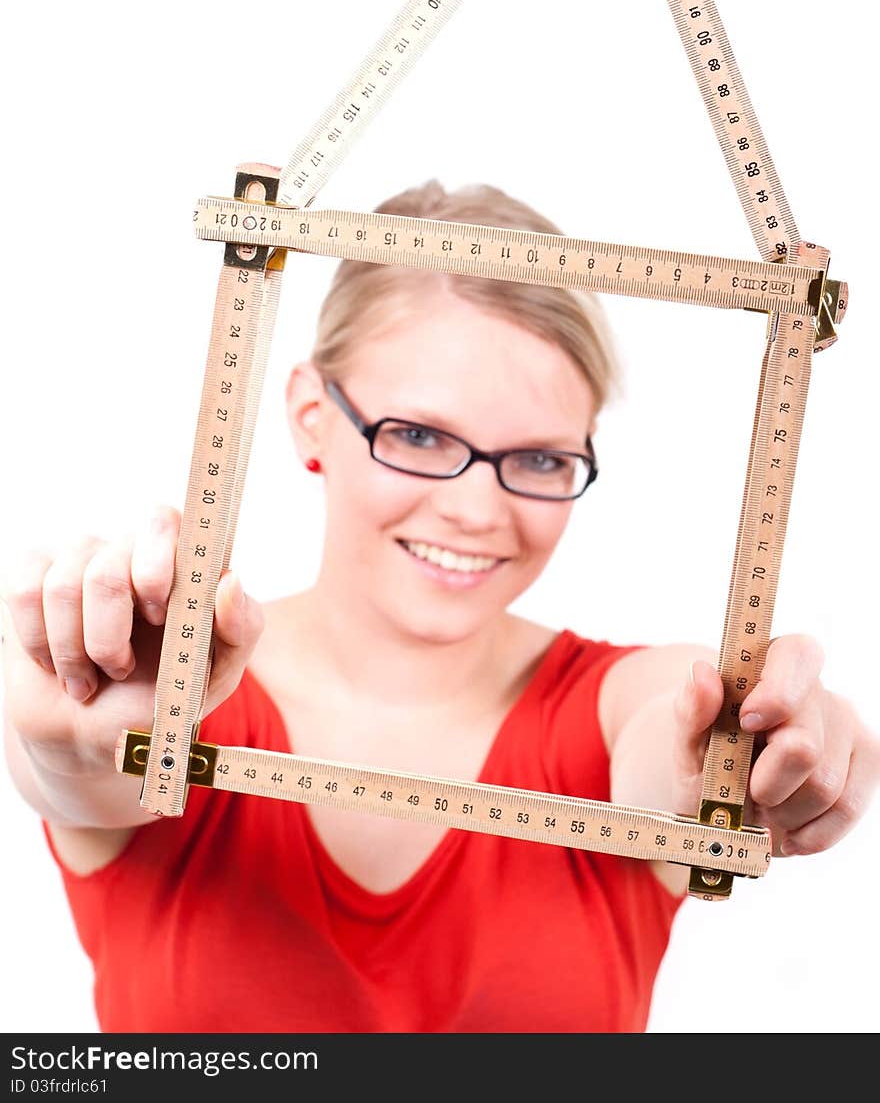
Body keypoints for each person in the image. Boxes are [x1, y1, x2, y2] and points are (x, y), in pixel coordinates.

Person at [2, 179, 878, 1034]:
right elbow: (78, 772)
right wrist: (75, 732)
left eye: (539, 459)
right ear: (312, 414)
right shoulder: (174, 693)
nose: (475, 509)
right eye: (419, 436)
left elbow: (670, 758)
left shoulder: (618, 703)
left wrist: (738, 763)